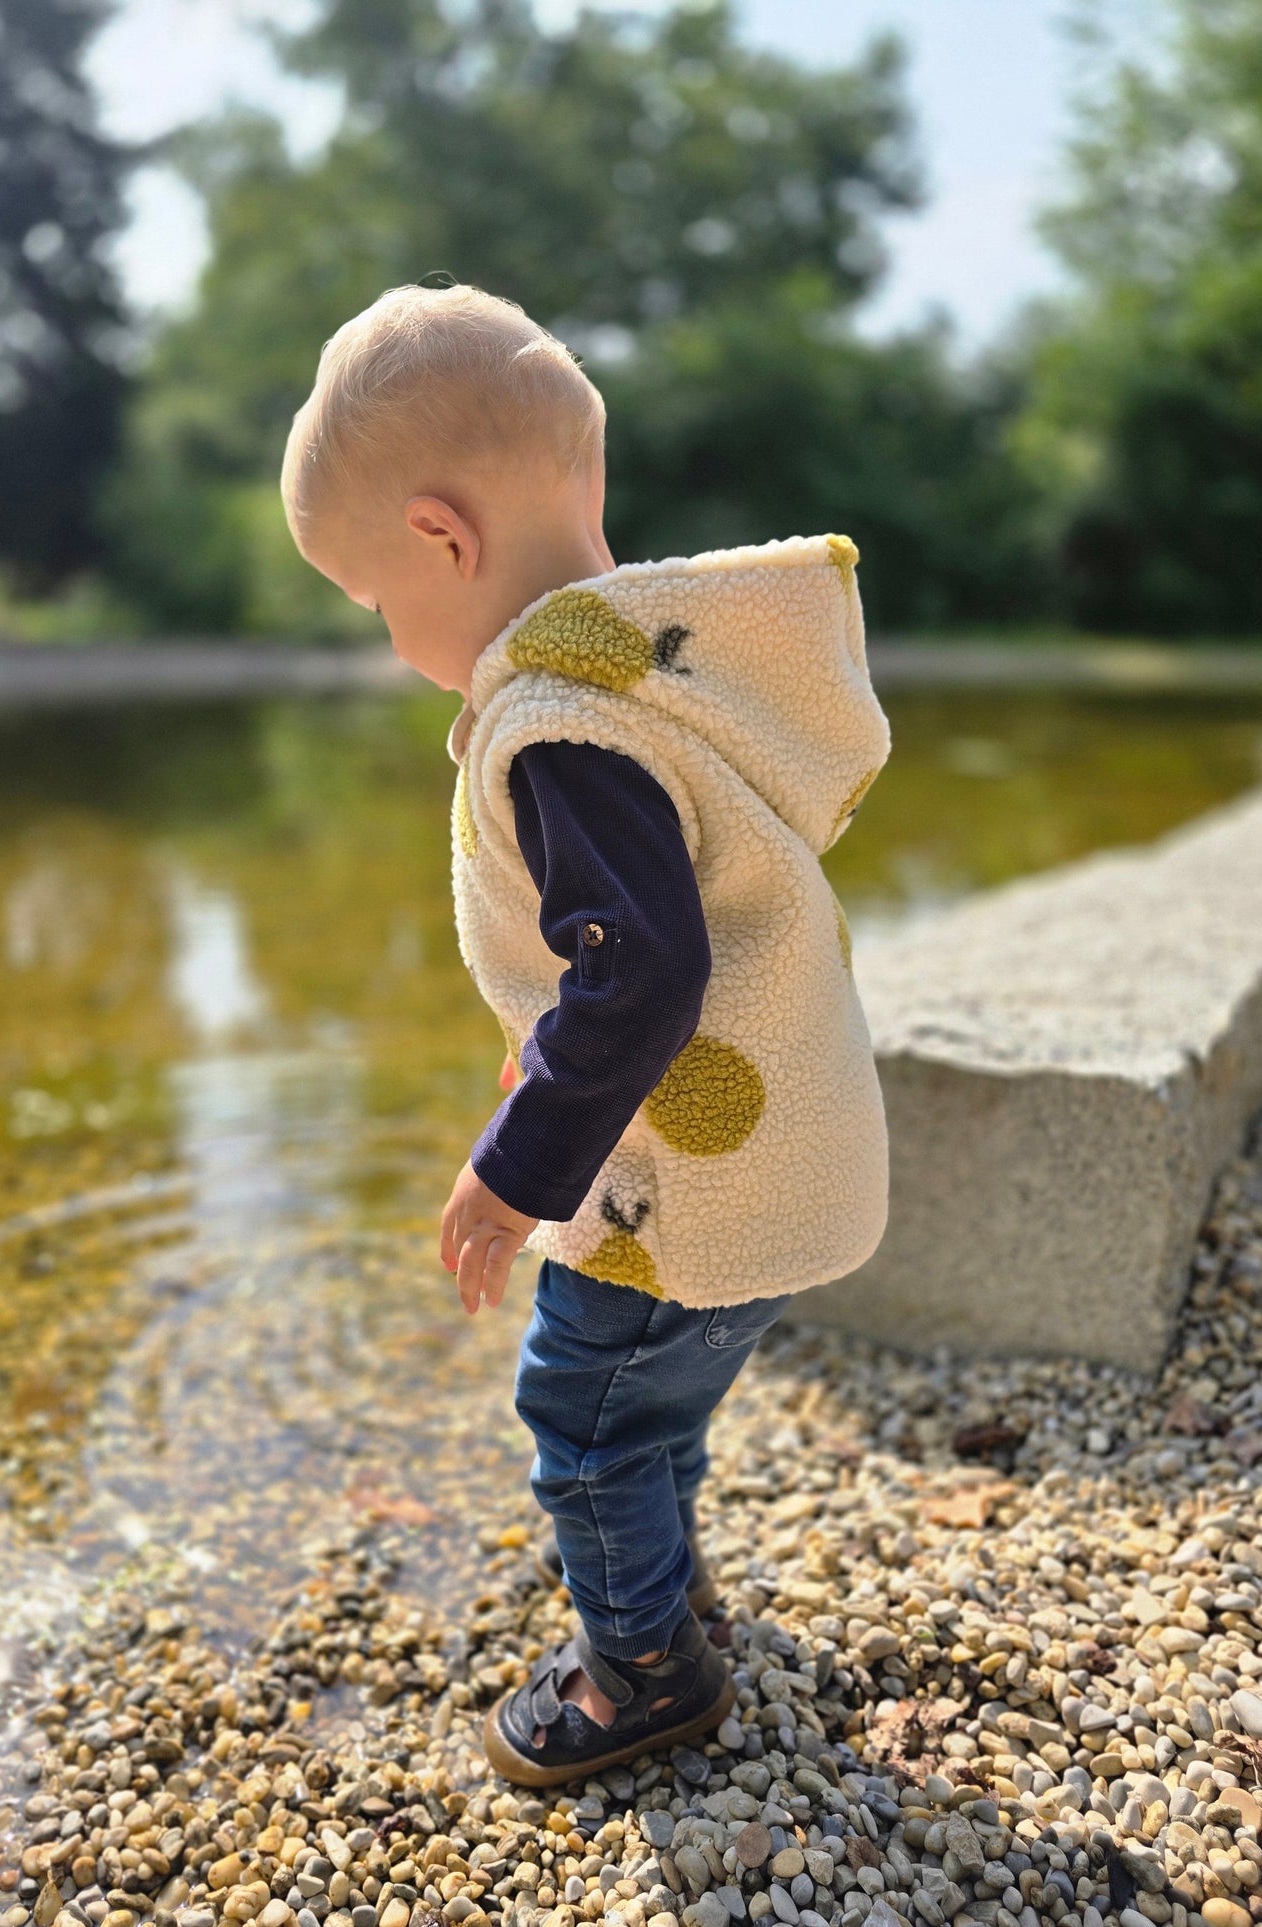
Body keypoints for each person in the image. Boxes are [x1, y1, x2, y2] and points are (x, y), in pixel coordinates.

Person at [280, 283, 891, 1786]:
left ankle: (640, 1677)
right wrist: (554, 1055)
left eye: (375, 601)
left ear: (440, 537)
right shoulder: (657, 674)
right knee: (655, 1402)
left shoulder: (561, 722)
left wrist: (520, 1165)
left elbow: (638, 976)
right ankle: (668, 1592)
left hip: (677, 1188)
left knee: (583, 1416)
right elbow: (630, 954)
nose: (392, 634)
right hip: (775, 1155)